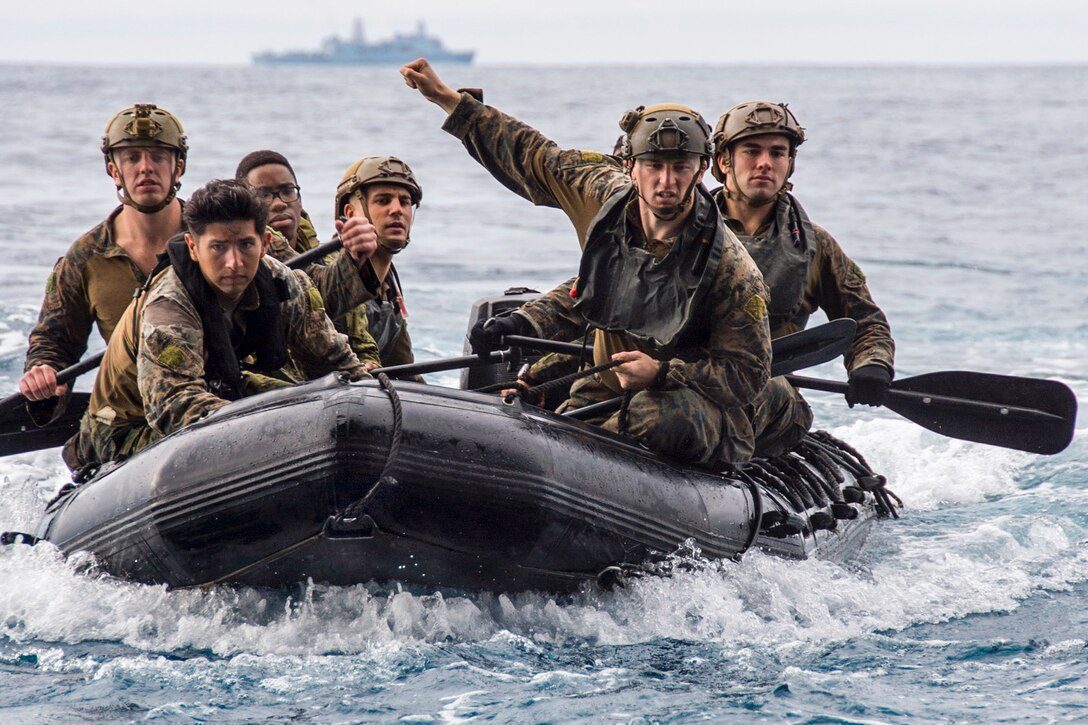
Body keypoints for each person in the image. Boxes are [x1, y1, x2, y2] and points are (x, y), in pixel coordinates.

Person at [401, 59, 806, 466]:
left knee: (660, 415)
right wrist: (449, 101)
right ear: (630, 167)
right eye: (654, 166)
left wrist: (662, 374)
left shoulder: (732, 271)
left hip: (692, 403)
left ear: (701, 169)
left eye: (680, 167)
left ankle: (567, 457)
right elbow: (531, 154)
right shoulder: (602, 194)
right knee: (541, 395)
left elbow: (746, 376)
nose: (666, 182)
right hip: (606, 385)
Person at [62, 180, 372, 473]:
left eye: (246, 245)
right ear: (193, 248)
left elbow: (334, 362)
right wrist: (274, 431)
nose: (234, 262)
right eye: (219, 247)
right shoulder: (169, 306)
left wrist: (366, 394)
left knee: (307, 405)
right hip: (129, 426)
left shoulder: (284, 285)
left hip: (220, 392)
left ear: (265, 243)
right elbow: (174, 408)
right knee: (284, 424)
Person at [710, 101, 895, 412]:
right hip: (690, 380)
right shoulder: (685, 232)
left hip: (769, 396)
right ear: (724, 161)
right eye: (751, 151)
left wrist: (871, 364)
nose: (765, 163)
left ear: (790, 162)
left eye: (777, 153)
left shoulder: (814, 245)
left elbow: (865, 322)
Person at [20, 104, 189, 409]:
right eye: (132, 158)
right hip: (135, 411)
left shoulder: (218, 237)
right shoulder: (84, 259)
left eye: (159, 156)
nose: (146, 168)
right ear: (114, 170)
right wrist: (43, 372)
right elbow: (54, 343)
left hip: (220, 394)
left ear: (178, 167)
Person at [234, 149, 381, 345]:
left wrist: (368, 364)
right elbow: (316, 296)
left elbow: (360, 338)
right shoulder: (247, 257)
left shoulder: (330, 258)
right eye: (264, 195)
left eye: (287, 191)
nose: (279, 204)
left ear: (300, 200)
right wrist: (353, 261)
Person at [334, 155, 424, 371]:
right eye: (383, 200)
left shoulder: (390, 284)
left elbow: (403, 368)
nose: (397, 210)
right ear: (350, 213)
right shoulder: (329, 275)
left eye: (404, 202)